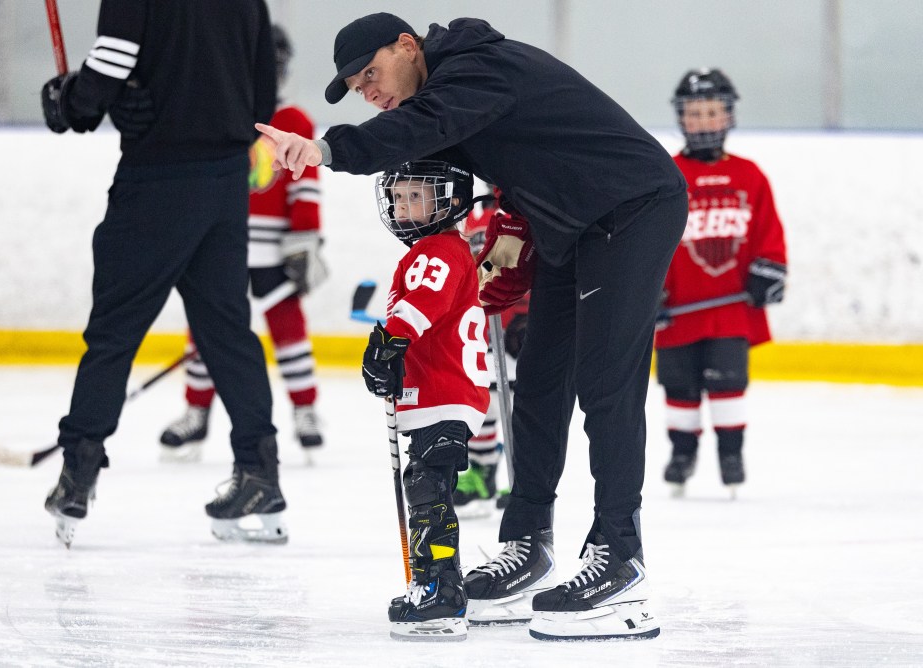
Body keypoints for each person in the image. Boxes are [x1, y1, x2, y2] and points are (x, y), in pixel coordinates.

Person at [257, 13, 687, 640]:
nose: (369, 93)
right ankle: (529, 547)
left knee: (604, 383)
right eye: (357, 88)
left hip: (634, 206)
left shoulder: (477, 68)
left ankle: (620, 557)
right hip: (573, 225)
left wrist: (322, 149)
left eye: (371, 74)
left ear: (409, 47)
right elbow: (445, 160)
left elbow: (418, 127)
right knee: (539, 384)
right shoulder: (449, 95)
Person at [39, 0, 287, 547]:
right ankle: (259, 473)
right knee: (226, 331)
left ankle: (78, 473)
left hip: (157, 179)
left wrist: (72, 102)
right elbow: (262, 89)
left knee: (114, 331)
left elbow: (111, 62)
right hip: (225, 181)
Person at [159, 24, 327, 463]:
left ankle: (306, 411)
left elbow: (304, 186)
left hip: (275, 252)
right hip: (222, 248)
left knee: (290, 332)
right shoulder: (217, 114)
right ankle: (195, 414)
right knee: (205, 334)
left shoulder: (294, 121)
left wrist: (304, 239)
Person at [362, 155, 489, 640]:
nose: (403, 207)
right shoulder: (437, 250)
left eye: (416, 196)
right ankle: (433, 584)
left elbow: (421, 306)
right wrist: (395, 360)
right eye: (397, 197)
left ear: (451, 201)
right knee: (425, 488)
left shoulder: (439, 248)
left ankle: (442, 590)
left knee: (429, 492)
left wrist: (388, 343)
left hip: (445, 392)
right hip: (440, 392)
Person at [655, 68, 788, 497]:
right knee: (680, 388)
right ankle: (682, 453)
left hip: (731, 309)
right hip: (677, 310)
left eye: (713, 112)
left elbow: (769, 232)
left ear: (728, 116)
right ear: (681, 118)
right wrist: (645, 289)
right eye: (695, 113)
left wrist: (769, 267)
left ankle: (731, 454)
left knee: (728, 383)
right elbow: (649, 240)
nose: (705, 121)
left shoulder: (751, 176)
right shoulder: (665, 175)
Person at [452, 190, 529, 519]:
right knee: (482, 404)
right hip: (478, 328)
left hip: (518, 330)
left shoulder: (528, 207)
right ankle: (483, 472)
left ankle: (524, 482)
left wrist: (528, 316)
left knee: (516, 409)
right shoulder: (470, 212)